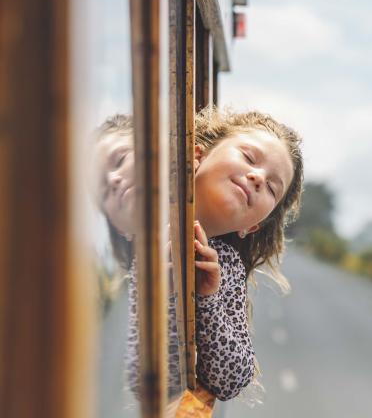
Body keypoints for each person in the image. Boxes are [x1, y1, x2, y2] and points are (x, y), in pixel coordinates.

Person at [93, 107, 304, 402]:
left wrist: (208, 300)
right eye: (248, 157)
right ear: (198, 155)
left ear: (252, 225)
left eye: (271, 186)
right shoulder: (137, 223)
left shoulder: (226, 268)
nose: (257, 177)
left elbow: (231, 380)